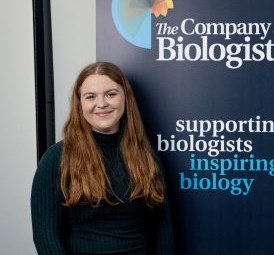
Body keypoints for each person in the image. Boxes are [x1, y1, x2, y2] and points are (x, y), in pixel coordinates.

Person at [31, 62, 174, 255]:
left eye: (111, 94)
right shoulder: (57, 158)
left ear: (125, 98)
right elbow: (46, 238)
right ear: (80, 103)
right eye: (90, 97)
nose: (101, 103)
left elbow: (162, 230)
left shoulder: (146, 156)